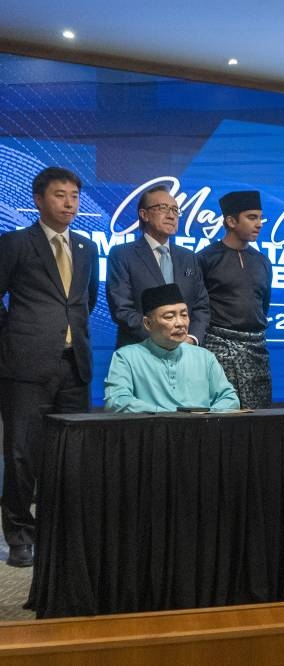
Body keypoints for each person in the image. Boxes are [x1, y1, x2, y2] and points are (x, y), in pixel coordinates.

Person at [0, 166, 99, 568]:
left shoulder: (86, 247)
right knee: (23, 454)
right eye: (61, 195)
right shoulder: (15, 243)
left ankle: (60, 531)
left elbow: (85, 301)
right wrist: (14, 335)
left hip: (74, 365)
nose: (70, 203)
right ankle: (21, 534)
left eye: (74, 195)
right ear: (39, 199)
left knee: (70, 454)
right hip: (25, 366)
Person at [104, 284, 240, 412]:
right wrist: (168, 417)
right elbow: (116, 401)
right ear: (148, 323)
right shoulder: (126, 357)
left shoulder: (204, 357)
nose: (180, 323)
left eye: (184, 315)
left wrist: (202, 416)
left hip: (200, 432)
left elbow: (230, 399)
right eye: (169, 317)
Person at [106, 185, 210, 348]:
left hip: (185, 351)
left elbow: (201, 307)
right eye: (163, 208)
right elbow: (122, 309)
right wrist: (163, 338)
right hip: (140, 350)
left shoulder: (189, 257)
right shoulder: (122, 254)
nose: (171, 215)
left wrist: (191, 338)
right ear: (144, 214)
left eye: (175, 210)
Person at [197, 190, 273, 408]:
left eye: (260, 218)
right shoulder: (205, 258)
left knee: (260, 422)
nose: (259, 224)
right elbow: (198, 306)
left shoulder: (262, 261)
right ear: (231, 221)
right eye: (252, 217)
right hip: (218, 348)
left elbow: (262, 306)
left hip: (257, 349)